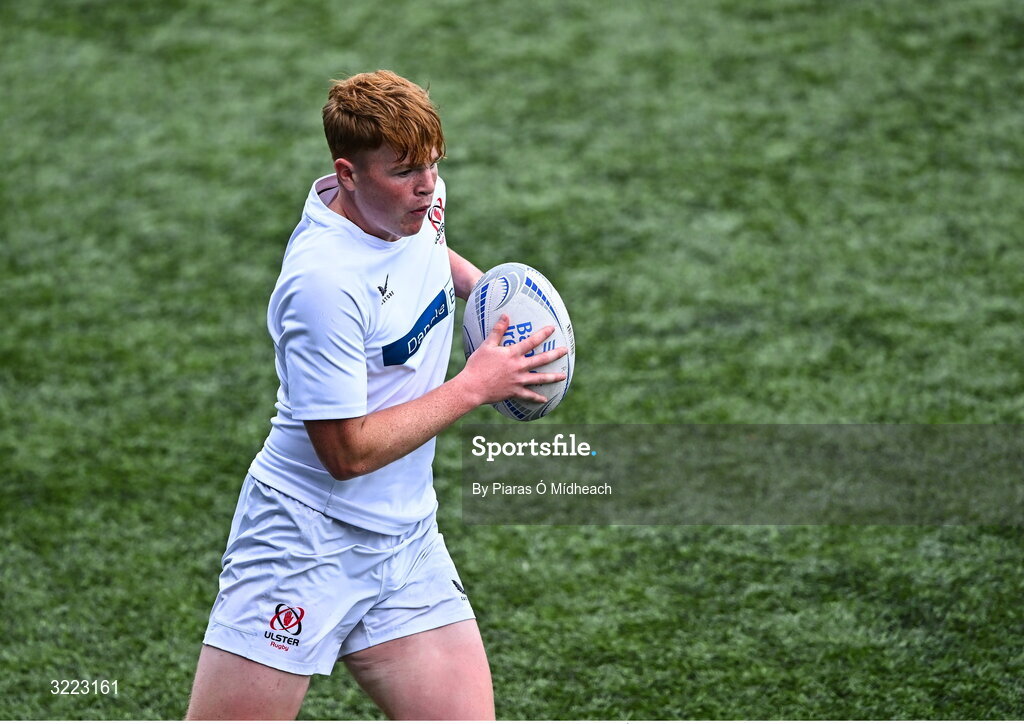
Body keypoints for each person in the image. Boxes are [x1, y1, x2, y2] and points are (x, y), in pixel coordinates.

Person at [185, 70, 567, 720]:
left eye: (433, 164)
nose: (426, 186)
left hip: (406, 539)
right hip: (303, 541)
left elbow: (427, 250)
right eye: (404, 171)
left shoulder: (419, 200)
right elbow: (347, 453)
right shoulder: (323, 286)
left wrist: (487, 291)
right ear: (349, 173)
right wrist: (474, 385)